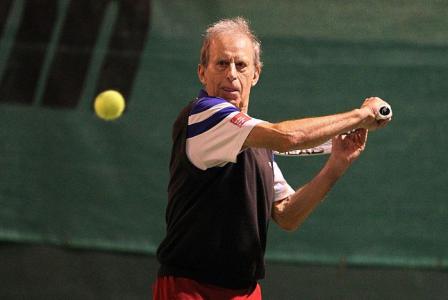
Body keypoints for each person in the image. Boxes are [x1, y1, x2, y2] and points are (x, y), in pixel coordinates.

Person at [153, 17, 391, 300]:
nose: (231, 74)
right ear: (202, 73)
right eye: (221, 64)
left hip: (246, 290)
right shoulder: (203, 115)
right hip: (191, 289)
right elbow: (288, 137)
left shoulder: (256, 137)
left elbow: (287, 215)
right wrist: (361, 116)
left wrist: (336, 165)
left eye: (241, 65)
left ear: (255, 74)